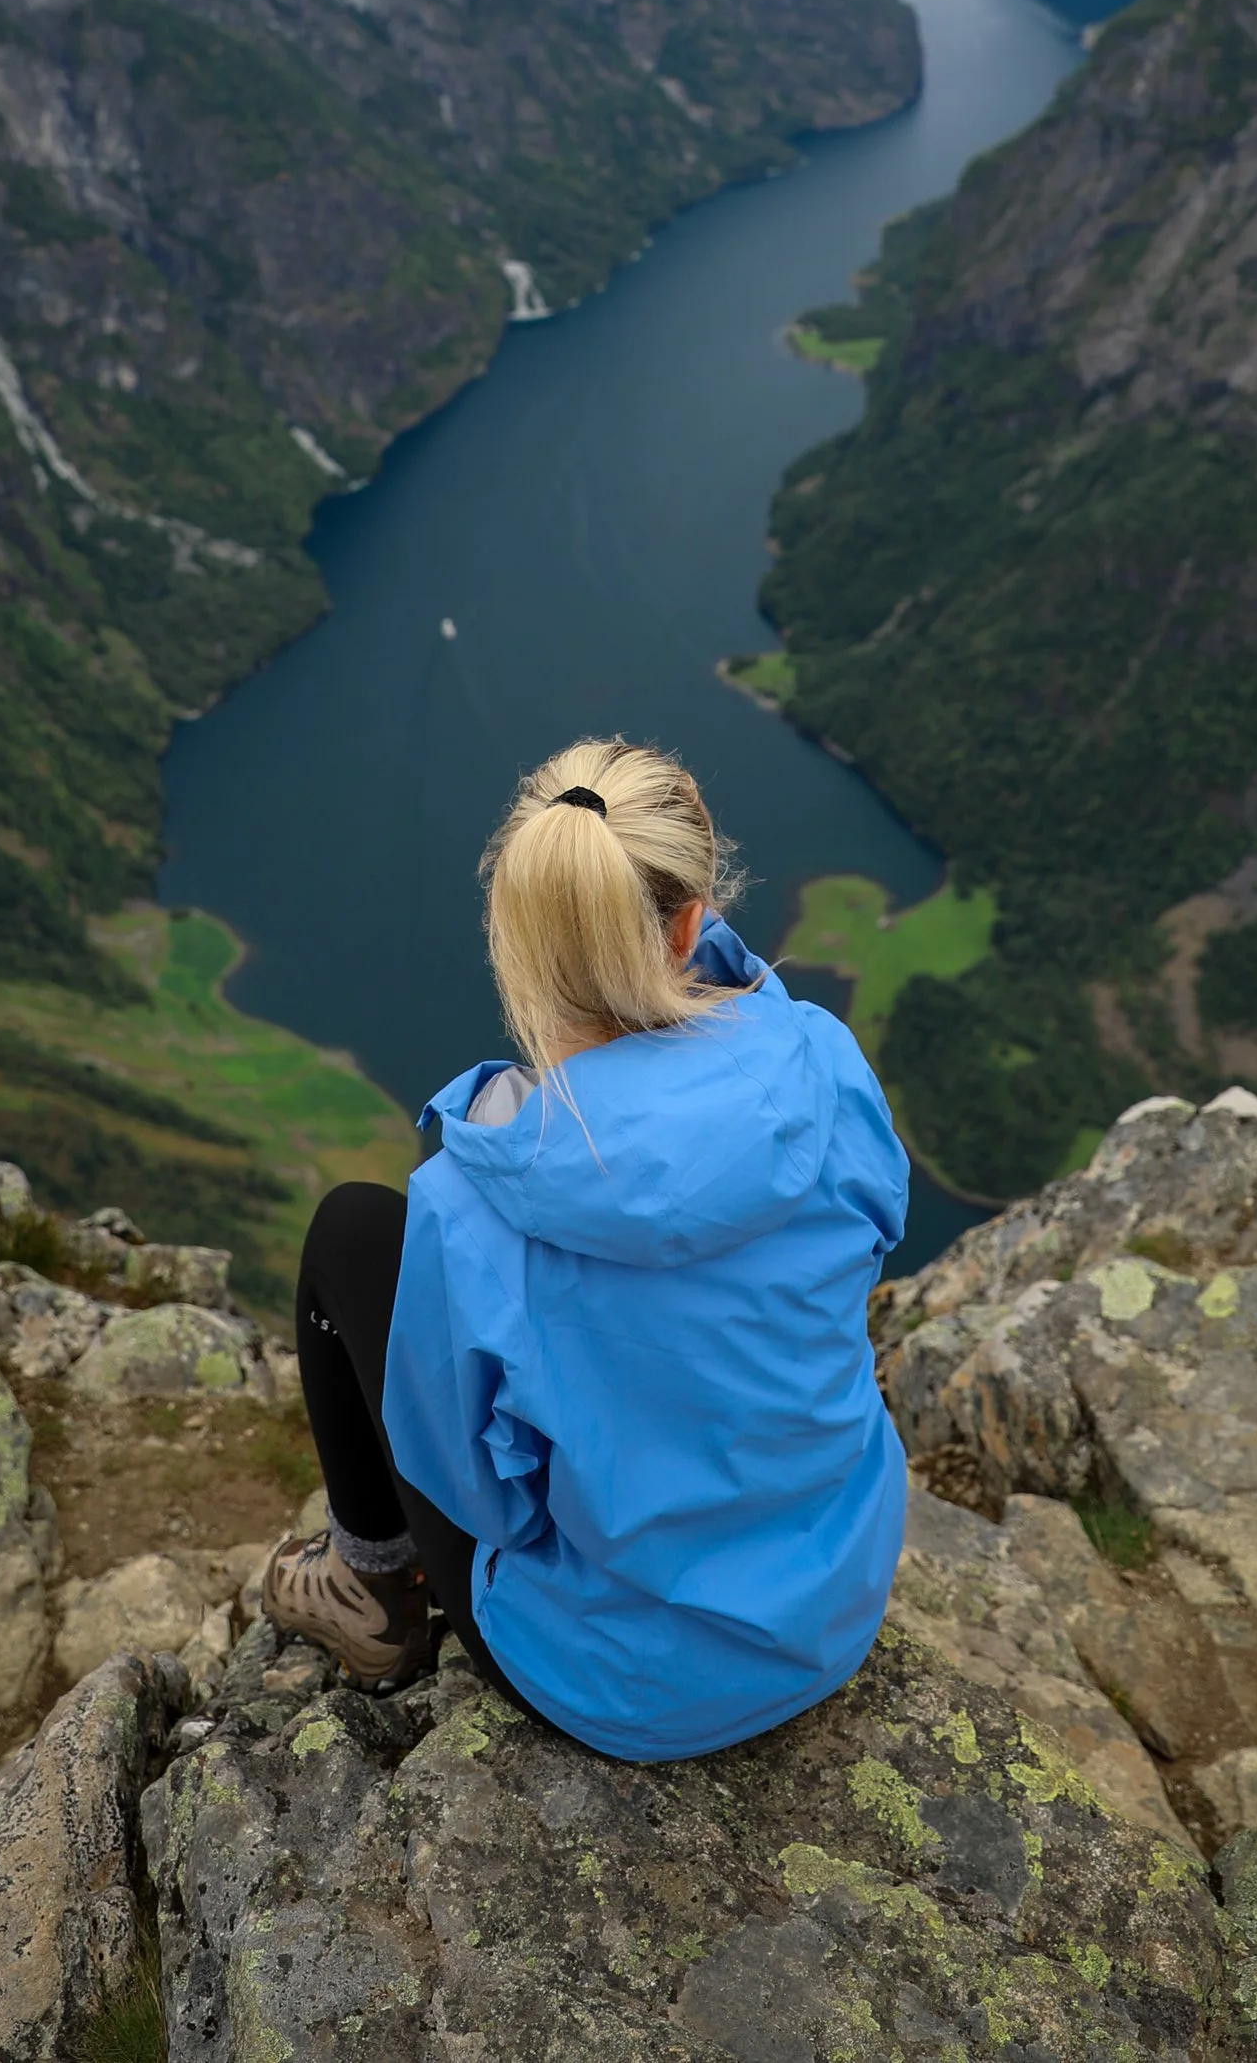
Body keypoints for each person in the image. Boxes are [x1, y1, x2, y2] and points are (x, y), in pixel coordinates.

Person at [263, 733, 911, 1762]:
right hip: (832, 1605)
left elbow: (483, 1502)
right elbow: (868, 1245)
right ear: (695, 920)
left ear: (517, 943)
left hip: (623, 1687)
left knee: (350, 1228)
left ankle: (368, 1590)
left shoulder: (472, 1213)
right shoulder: (826, 1067)